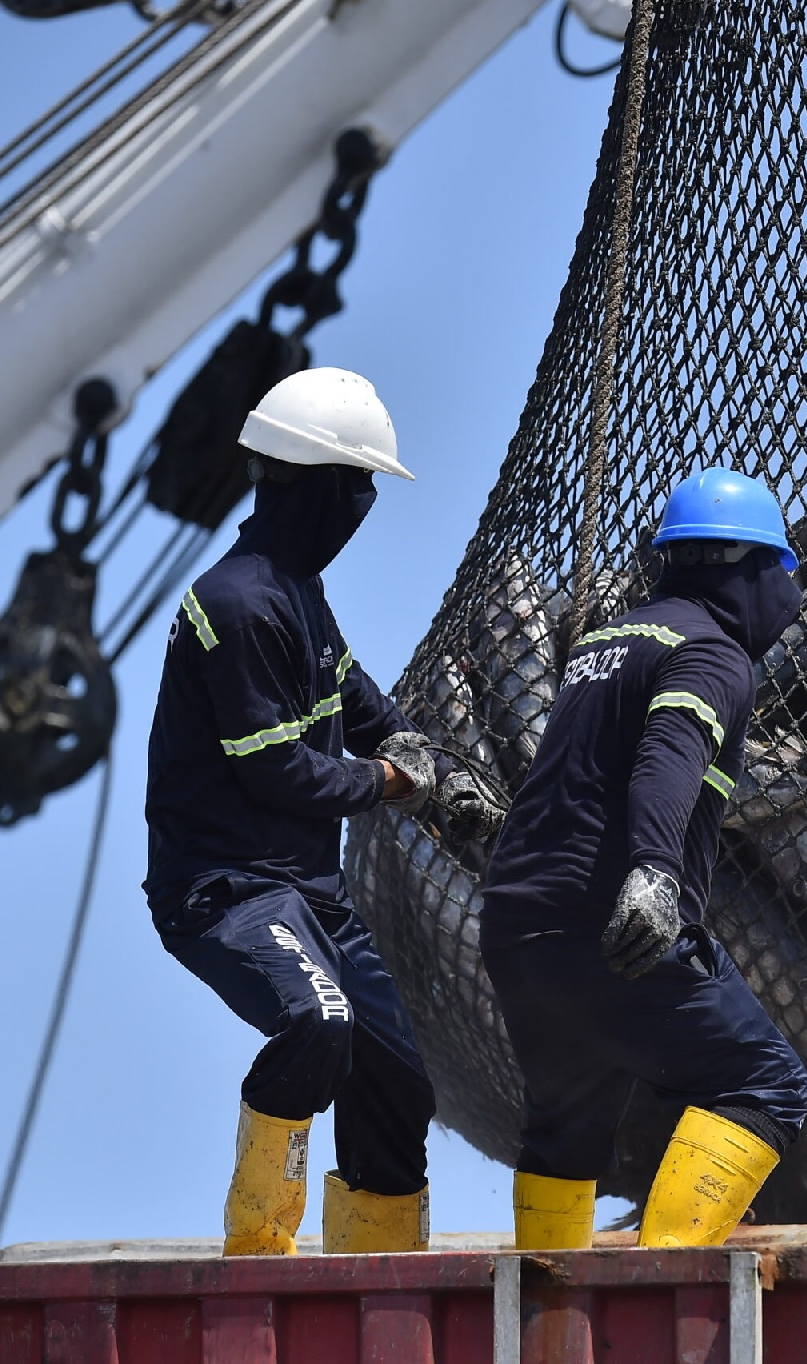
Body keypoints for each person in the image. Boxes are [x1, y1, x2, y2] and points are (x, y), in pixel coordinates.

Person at [143, 367, 495, 1257]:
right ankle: (259, 1252)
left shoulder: (299, 594)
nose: (366, 504)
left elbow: (356, 696)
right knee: (317, 1024)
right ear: (320, 485)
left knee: (397, 1079)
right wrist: (389, 782)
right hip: (227, 893)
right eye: (360, 483)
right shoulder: (238, 603)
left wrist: (427, 759)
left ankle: (380, 1276)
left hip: (311, 897)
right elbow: (278, 774)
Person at [480, 467, 807, 1250]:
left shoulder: (607, 642)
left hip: (518, 928)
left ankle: (542, 1302)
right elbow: (670, 752)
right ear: (749, 568)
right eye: (781, 570)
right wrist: (656, 870)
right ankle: (669, 1277)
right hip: (612, 926)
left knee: (568, 1127)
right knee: (767, 1081)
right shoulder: (713, 652)